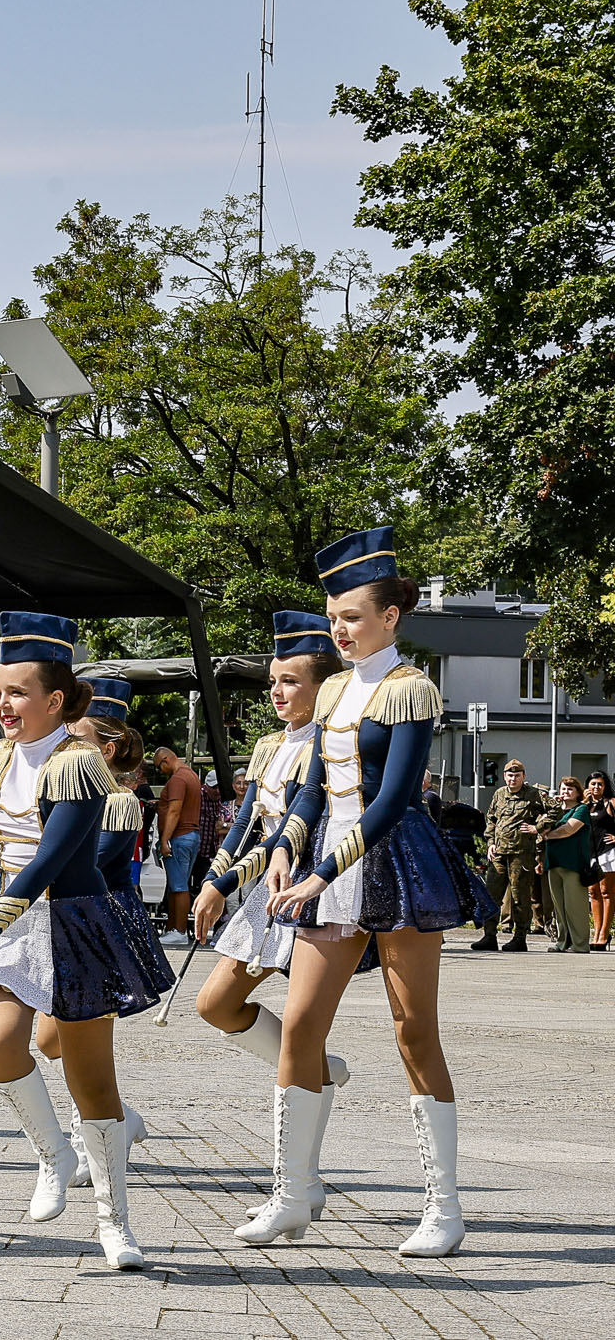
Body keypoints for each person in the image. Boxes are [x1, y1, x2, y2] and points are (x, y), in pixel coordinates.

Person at [258, 525, 497, 1257]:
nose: (341, 628)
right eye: (334, 617)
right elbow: (310, 788)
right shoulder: (331, 687)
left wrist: (320, 871)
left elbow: (392, 800)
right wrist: (282, 849)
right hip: (326, 868)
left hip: (396, 865)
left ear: (392, 616)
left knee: (412, 1029)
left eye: (354, 616)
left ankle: (444, 1204)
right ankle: (292, 1193)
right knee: (300, 1026)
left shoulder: (410, 688)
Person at [0, 612, 170, 1271]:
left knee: (95, 1085)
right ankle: (51, 1152)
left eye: (17, 692)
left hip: (73, 921)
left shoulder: (80, 764)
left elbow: (50, 863)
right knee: (0, 1043)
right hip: (8, 925)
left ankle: (114, 1221)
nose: (3, 704)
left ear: (55, 700)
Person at [187, 616, 353, 1225]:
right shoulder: (268, 746)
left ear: (323, 685)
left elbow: (292, 830)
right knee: (215, 1004)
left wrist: (230, 879)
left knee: (302, 1030)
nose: (276, 693)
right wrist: (215, 879)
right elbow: (248, 823)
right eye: (272, 682)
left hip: (316, 886)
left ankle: (301, 1183)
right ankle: (318, 1069)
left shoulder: (332, 739)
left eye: (289, 682)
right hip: (266, 891)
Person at [37, 677, 163, 1188]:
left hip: (102, 927)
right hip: (70, 921)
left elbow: (89, 859)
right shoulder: (66, 787)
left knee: (73, 1035)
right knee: (51, 1041)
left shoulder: (119, 800)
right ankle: (118, 1116)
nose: (65, 739)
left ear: (106, 748)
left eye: (77, 732)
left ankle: (94, 1135)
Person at [481, 760, 547, 951]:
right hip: (499, 853)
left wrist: (537, 828)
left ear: (523, 777)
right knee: (492, 894)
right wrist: (490, 843)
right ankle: (489, 936)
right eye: (510, 775)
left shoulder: (534, 795)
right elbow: (491, 819)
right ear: (504, 776)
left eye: (517, 775)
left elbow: (555, 811)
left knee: (520, 896)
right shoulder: (499, 794)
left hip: (521, 854)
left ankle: (520, 938)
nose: (513, 779)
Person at [152, 745, 203, 944]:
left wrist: (164, 839)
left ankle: (179, 931)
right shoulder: (191, 775)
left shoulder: (177, 780)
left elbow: (174, 811)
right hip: (189, 836)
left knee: (179, 886)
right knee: (176, 884)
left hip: (179, 837)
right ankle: (173, 927)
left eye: (158, 767)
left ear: (165, 760)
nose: (159, 771)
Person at [536, 777, 593, 954]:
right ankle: (562, 942)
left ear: (577, 792)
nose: (565, 792)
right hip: (553, 862)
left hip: (573, 863)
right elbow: (540, 826)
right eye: (563, 789)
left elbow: (569, 829)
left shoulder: (581, 809)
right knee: (558, 907)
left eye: (570, 789)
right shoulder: (555, 811)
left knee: (575, 906)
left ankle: (580, 944)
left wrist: (548, 835)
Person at [585, 770, 615, 951]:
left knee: (606, 892)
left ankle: (604, 933)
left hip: (608, 852)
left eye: (600, 784)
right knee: (593, 892)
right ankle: (596, 932)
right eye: (593, 784)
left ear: (605, 787)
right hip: (589, 853)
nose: (596, 787)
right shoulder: (584, 805)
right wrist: (582, 803)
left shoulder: (611, 803)